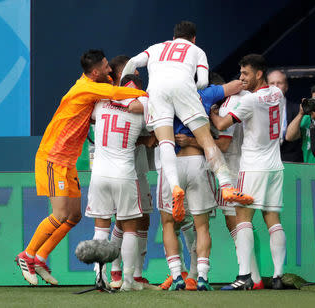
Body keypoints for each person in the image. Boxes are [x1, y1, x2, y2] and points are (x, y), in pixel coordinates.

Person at [15, 50, 147, 286]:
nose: (108, 71)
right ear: (95, 72)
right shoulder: (86, 88)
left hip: (68, 160)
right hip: (52, 156)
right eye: (105, 67)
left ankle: (42, 257)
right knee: (60, 214)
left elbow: (112, 86)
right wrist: (147, 95)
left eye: (110, 67)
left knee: (74, 215)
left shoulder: (95, 83)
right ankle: (27, 255)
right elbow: (116, 92)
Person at [121, 21, 253, 226]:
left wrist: (126, 89)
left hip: (157, 92)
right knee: (207, 140)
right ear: (193, 38)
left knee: (165, 142)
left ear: (173, 37)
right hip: (184, 90)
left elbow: (132, 63)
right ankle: (226, 185)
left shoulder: (156, 48)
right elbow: (201, 82)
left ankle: (175, 187)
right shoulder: (197, 50)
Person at [157, 75, 245, 291]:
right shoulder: (205, 94)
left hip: (172, 165)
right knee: (202, 225)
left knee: (169, 224)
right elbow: (237, 85)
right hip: (198, 161)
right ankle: (202, 278)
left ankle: (178, 275)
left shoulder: (161, 96)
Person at [210, 54, 287, 290]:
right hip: (275, 166)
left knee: (242, 218)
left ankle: (244, 277)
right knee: (273, 219)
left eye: (245, 74)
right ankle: (277, 277)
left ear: (259, 74)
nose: (241, 78)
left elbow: (222, 125)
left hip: (253, 166)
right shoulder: (278, 94)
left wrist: (212, 109)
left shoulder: (251, 101)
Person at [90, 55, 154, 289]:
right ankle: (128, 280)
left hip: (99, 173)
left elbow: (93, 118)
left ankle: (100, 279)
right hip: (125, 174)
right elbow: (152, 135)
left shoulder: (101, 102)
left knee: (101, 229)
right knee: (129, 228)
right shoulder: (144, 105)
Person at [267, 70, 303, 162]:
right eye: (272, 83)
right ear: (266, 87)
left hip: (292, 163)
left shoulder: (298, 109)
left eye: (279, 83)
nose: (275, 86)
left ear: (286, 87)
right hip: (266, 161)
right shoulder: (258, 109)